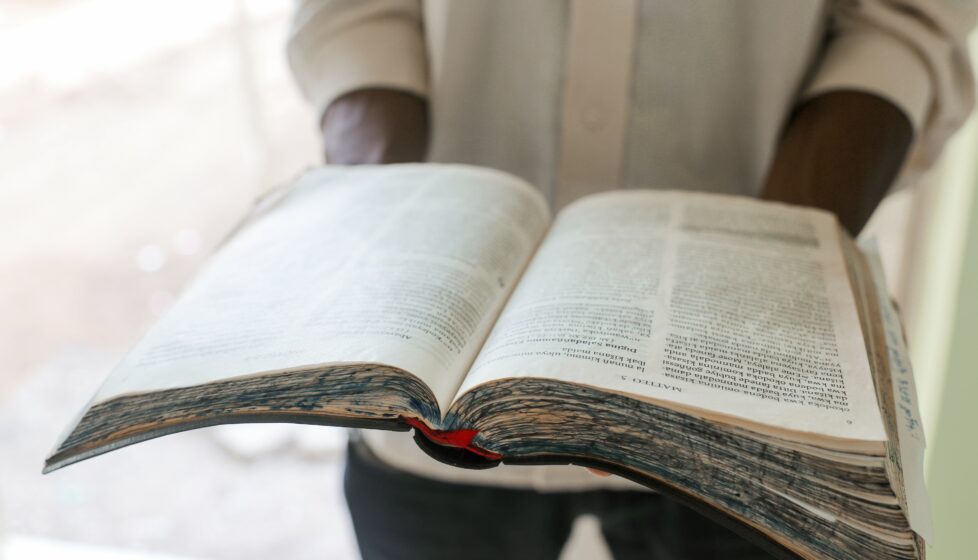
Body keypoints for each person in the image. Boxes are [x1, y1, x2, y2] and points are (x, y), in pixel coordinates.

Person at [287, 2, 975, 558]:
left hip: (732, 434)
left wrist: (771, 266)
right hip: (432, 416)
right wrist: (381, 200)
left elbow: (899, 22)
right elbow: (354, 13)